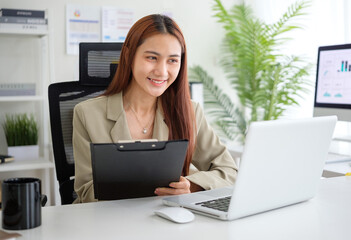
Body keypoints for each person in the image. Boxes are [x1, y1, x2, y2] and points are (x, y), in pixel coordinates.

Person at [72, 14, 238, 203]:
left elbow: (229, 171)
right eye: (152, 57)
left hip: (169, 219)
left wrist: (190, 186)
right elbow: (85, 193)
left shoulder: (190, 112)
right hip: (112, 222)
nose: (162, 71)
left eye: (172, 60)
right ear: (129, 55)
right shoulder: (87, 114)